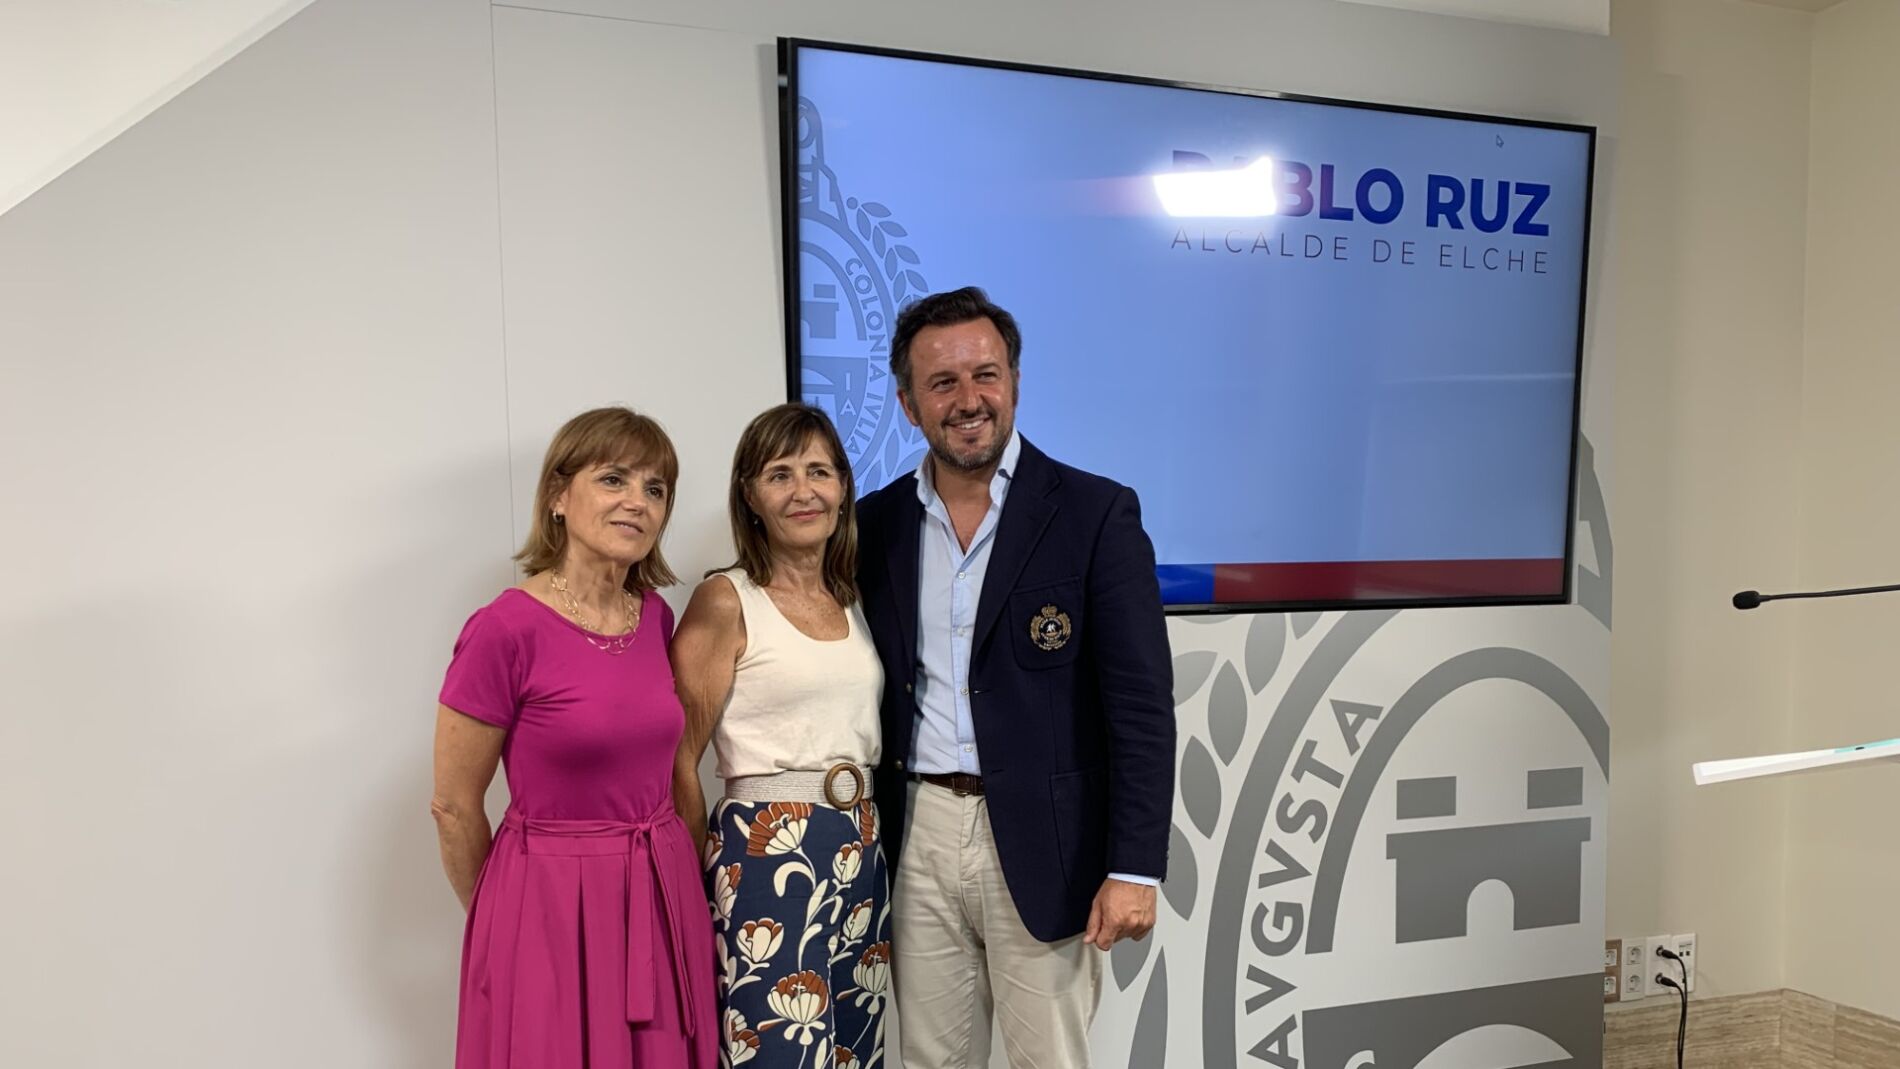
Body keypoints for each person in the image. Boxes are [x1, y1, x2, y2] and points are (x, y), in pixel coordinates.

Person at [856, 288, 1175, 1069]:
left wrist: (1134, 866)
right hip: (919, 833)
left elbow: (1140, 708)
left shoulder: (1096, 513)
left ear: (1016, 382)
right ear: (908, 403)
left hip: (1047, 843)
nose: (969, 399)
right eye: (943, 382)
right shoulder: (876, 523)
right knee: (931, 1059)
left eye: (986, 374)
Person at [429, 406, 715, 1069]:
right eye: (613, 479)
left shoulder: (656, 617)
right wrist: (506, 920)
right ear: (558, 496)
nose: (637, 501)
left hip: (661, 893)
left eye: (655, 488)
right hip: (549, 906)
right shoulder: (504, 629)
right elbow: (453, 806)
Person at [671, 403, 890, 1069]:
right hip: (765, 853)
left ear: (843, 486)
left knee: (856, 1050)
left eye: (819, 471)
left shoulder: (853, 597)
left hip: (861, 845)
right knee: (776, 1051)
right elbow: (677, 758)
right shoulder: (725, 599)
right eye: (780, 474)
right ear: (750, 495)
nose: (803, 491)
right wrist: (690, 884)